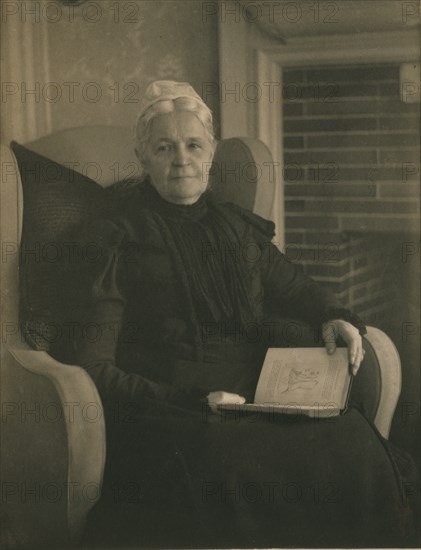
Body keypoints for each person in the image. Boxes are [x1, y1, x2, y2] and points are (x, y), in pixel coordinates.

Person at [72, 81, 415, 548]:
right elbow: (94, 368)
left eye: (193, 145)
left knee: (347, 437)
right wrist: (195, 400)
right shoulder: (115, 237)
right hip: (171, 409)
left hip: (258, 388)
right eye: (164, 147)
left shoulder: (234, 225)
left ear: (210, 154)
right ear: (143, 157)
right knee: (236, 466)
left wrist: (335, 315)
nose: (181, 159)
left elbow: (297, 288)